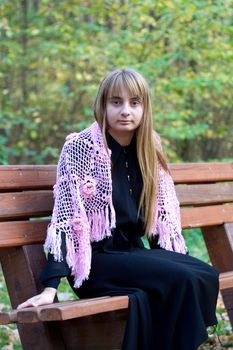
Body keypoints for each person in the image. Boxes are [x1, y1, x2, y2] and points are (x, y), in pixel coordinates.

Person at [18, 68, 219, 350]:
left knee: (204, 274)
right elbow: (66, 218)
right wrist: (51, 287)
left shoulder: (149, 148)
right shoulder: (80, 148)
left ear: (144, 108)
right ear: (102, 105)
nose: (125, 111)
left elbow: (160, 221)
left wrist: (174, 260)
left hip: (133, 254)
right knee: (184, 279)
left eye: (134, 103)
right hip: (95, 262)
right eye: (116, 102)